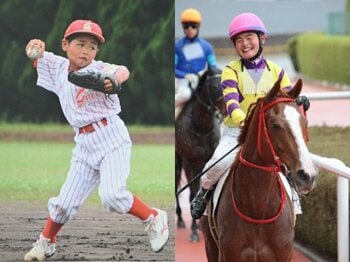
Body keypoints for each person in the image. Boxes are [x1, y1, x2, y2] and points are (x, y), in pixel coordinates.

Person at [23, 19, 169, 261]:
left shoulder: (100, 68)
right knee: (63, 204)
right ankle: (46, 242)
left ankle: (153, 216)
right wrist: (33, 48)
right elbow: (37, 56)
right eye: (80, 44)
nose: (85, 51)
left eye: (92, 47)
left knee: (112, 196)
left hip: (111, 137)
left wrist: (117, 80)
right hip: (83, 143)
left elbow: (122, 70)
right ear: (64, 44)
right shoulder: (58, 67)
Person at [190, 13, 310, 219]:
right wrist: (248, 123)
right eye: (239, 40)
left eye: (249, 38)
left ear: (262, 39)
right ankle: (204, 192)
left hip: (269, 134)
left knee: (289, 161)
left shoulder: (277, 71)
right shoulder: (230, 71)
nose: (245, 44)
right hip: (236, 133)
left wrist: (299, 101)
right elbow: (231, 105)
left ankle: (294, 200)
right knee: (218, 163)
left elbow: (288, 99)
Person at [175, 8, 217, 120]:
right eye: (186, 26)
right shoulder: (177, 46)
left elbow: (213, 67)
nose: (189, 29)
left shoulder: (207, 47)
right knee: (185, 95)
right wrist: (185, 75)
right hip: (183, 81)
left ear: (198, 26)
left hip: (201, 80)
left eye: (193, 25)